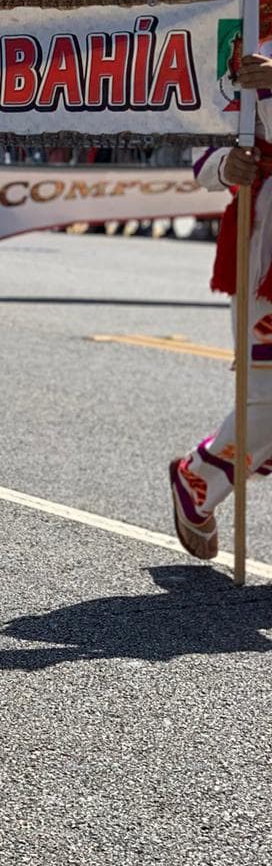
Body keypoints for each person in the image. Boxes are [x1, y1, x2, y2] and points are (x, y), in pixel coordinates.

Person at [171, 50, 272, 557]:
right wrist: (225, 165)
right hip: (265, 244)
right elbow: (204, 150)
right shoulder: (241, 49)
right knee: (267, 388)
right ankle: (200, 476)